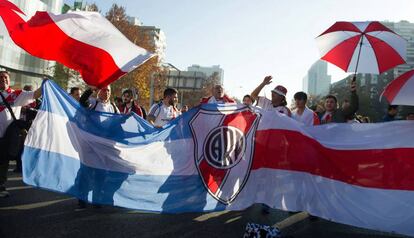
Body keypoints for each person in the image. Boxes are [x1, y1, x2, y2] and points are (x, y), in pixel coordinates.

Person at [0, 70, 42, 197]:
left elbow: (35, 94)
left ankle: (0, 186)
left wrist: (45, 84)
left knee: (3, 162)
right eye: (0, 77)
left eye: (5, 77)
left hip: (7, 137)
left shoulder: (17, 95)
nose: (3, 79)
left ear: (9, 80)